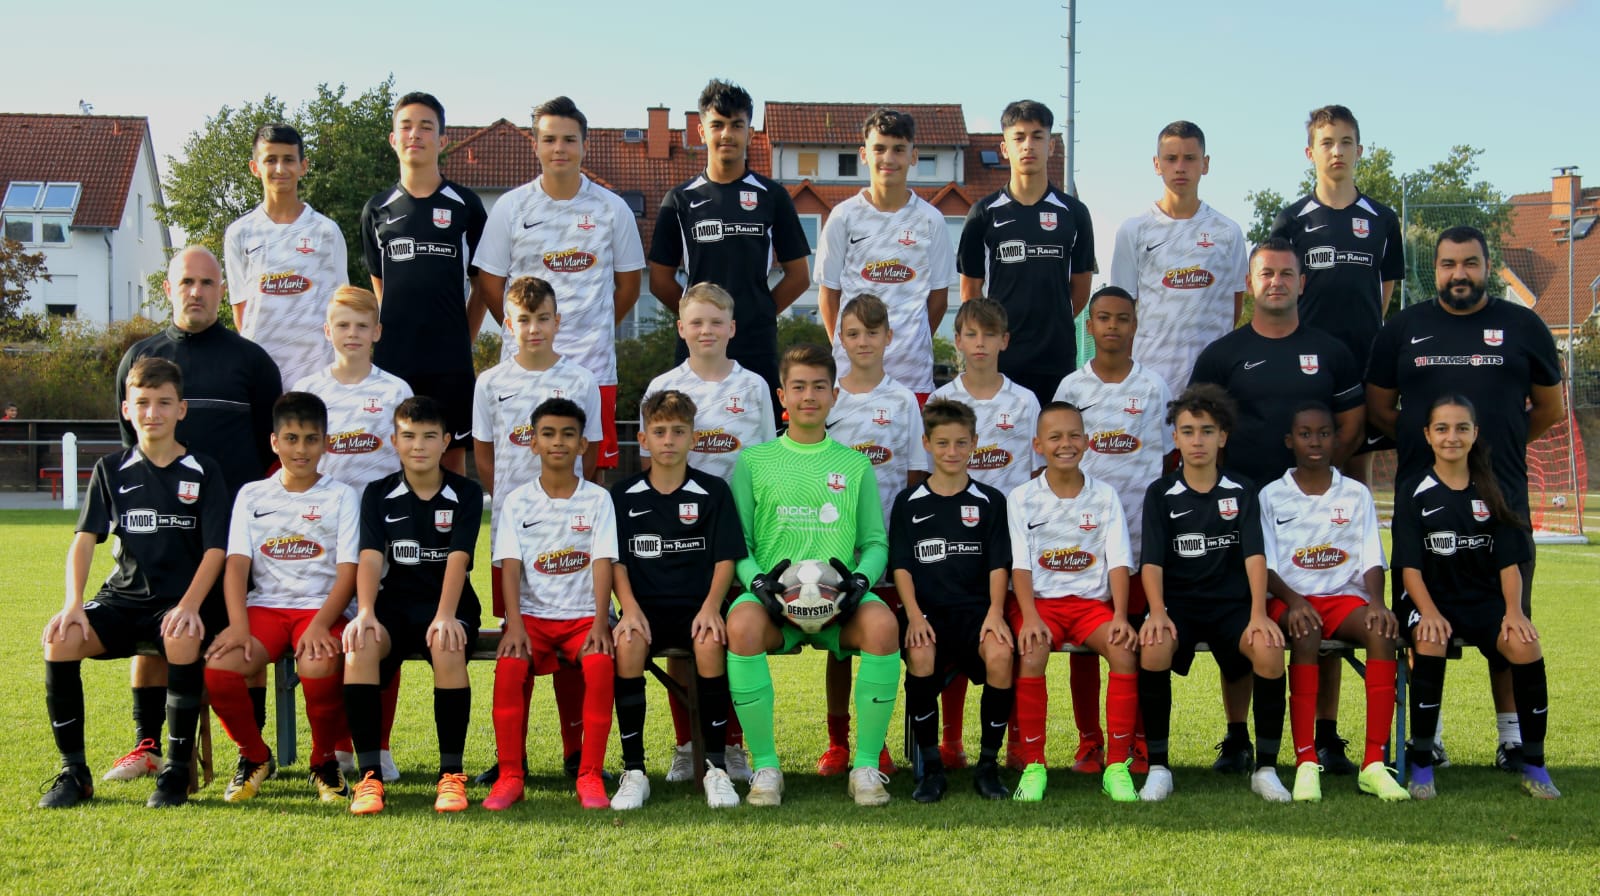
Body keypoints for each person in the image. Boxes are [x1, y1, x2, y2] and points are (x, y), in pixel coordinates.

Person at [1366, 225, 1564, 772]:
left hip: (1502, 503)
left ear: (1486, 266)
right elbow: (1381, 409)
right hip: (1426, 505)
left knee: (1509, 622)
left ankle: (1511, 739)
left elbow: (1549, 408)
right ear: (1434, 269)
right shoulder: (1402, 329)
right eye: (1449, 264)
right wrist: (1432, 449)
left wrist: (1496, 450)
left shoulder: (1523, 326)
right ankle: (1429, 739)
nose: (1460, 274)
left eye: (1470, 263)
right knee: (1424, 622)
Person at [1189, 238, 1366, 774]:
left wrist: (1320, 482)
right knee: (1245, 620)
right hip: (1242, 511)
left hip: (1312, 512)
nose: (1277, 282)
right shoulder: (1222, 355)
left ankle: (1326, 737)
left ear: (1302, 283)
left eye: (1287, 274)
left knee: (1322, 611)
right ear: (1250, 283)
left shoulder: (1332, 351)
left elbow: (1351, 424)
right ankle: (1237, 737)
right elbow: (1200, 427)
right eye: (1266, 273)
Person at [109, 246, 280, 786]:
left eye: (207, 283)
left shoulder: (251, 361)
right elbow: (131, 443)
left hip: (233, 534)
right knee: (153, 625)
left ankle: (251, 752)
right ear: (168, 288)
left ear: (223, 292)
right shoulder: (142, 356)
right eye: (187, 282)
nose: (197, 292)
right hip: (160, 535)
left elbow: (269, 448)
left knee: (239, 632)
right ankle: (147, 745)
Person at [38, 358, 227, 809]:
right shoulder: (111, 469)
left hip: (178, 602)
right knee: (61, 639)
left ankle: (175, 771)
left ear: (181, 409)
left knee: (181, 635)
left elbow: (216, 551)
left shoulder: (203, 470)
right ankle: (74, 772)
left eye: (163, 402)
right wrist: (72, 604)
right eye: (142, 403)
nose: (152, 413)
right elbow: (84, 540)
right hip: (121, 601)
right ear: (126, 409)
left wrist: (189, 606)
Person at [725, 344, 900, 807]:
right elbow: (739, 544)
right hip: (773, 602)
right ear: (782, 395)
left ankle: (865, 767)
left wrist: (859, 582)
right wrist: (757, 583)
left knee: (883, 626)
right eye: (798, 387)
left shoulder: (855, 465)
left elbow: (876, 543)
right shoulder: (754, 461)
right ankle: (766, 767)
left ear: (834, 395)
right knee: (740, 626)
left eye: (819, 387)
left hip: (840, 602)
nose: (809, 396)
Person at [1393, 395, 1558, 800]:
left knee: (1524, 643)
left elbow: (1509, 563)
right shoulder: (1415, 491)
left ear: (1474, 434)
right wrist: (1429, 612)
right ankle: (1422, 764)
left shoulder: (1492, 488)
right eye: (1442, 428)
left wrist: (1514, 612)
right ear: (1428, 435)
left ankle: (1535, 765)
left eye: (1461, 428)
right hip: (1429, 599)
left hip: (1483, 602)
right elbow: (1409, 568)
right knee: (1430, 637)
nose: (1452, 437)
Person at [473, 95, 645, 480]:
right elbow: (489, 284)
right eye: (549, 139)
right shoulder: (511, 207)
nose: (559, 148)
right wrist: (522, 330)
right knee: (521, 465)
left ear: (585, 145)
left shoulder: (612, 208)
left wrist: (596, 327)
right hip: (523, 367)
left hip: (593, 365)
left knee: (590, 473)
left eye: (569, 139)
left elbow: (630, 287)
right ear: (535, 145)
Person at [472, 277, 601, 785]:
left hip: (572, 535)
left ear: (557, 321)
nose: (533, 329)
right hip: (516, 535)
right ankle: (513, 758)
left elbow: (593, 451)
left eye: (542, 318)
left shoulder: (581, 380)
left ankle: (576, 752)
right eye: (523, 320)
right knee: (516, 639)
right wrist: (512, 504)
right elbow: (485, 454)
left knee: (573, 643)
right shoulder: (490, 383)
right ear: (508, 324)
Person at [637, 282, 768, 782]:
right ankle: (687, 744)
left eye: (716, 322)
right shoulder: (664, 384)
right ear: (681, 328)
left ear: (732, 327)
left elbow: (764, 463)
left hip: (738, 534)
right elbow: (652, 468)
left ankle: (730, 745)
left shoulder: (753, 386)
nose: (706, 330)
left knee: (728, 637)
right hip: (679, 538)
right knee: (684, 638)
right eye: (696, 322)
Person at [1136, 384, 1289, 803]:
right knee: (1154, 646)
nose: (1197, 440)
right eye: (1188, 431)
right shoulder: (1160, 493)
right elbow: (1152, 562)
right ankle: (1159, 768)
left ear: (1223, 436)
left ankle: (1266, 769)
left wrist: (1258, 614)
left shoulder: (1241, 490)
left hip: (1233, 607)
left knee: (1268, 649)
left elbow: (1254, 556)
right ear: (1175, 438)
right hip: (1179, 607)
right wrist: (1156, 612)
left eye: (1207, 431)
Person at [204, 392, 358, 805]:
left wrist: (321, 624)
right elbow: (236, 566)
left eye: (311, 439)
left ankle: (324, 761)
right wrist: (238, 626)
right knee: (219, 668)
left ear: (326, 443)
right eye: (291, 438)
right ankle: (254, 756)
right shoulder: (252, 495)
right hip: (265, 609)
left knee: (318, 663)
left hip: (321, 609)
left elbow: (348, 572)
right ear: (274, 442)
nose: (301, 449)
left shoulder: (342, 496)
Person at [1258, 402, 1408, 801]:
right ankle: (1306, 762)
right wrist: (1294, 601)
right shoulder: (1272, 495)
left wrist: (1377, 602)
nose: (1315, 442)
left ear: (1335, 439)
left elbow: (1371, 556)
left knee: (1381, 632)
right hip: (1290, 600)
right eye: (1305, 434)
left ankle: (1373, 764)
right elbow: (1265, 565)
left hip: (1342, 598)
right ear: (1290, 441)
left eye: (1323, 433)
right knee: (1306, 632)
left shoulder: (1355, 494)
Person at [342, 396, 482, 815]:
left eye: (428, 436)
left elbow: (458, 558)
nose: (418, 445)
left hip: (450, 604)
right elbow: (370, 557)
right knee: (361, 644)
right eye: (409, 436)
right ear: (394, 441)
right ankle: (369, 777)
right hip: (395, 605)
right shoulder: (378, 493)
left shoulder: (466, 492)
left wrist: (445, 615)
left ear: (446, 442)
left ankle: (451, 776)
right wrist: (365, 611)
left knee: (446, 643)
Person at [1053, 286, 1172, 775]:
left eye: (1123, 318)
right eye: (1103, 318)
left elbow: (1168, 460)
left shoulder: (1154, 386)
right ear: (1089, 325)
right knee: (1085, 648)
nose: (1113, 327)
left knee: (1137, 639)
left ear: (1135, 325)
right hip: (1081, 543)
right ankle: (1089, 742)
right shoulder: (1071, 387)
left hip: (1139, 545)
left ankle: (1138, 741)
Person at [609, 389, 746, 810]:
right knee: (627, 644)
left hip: (698, 607)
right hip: (644, 609)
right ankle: (635, 771)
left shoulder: (714, 491)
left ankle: (716, 768)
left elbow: (725, 558)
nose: (668, 440)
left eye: (678, 431)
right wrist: (629, 609)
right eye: (659, 431)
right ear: (643, 439)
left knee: (709, 642)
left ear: (693, 438)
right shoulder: (622, 495)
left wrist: (711, 608)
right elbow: (615, 561)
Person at [1006, 401, 1140, 803]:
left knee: (1123, 651)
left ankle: (1116, 766)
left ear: (1087, 441)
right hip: (1040, 604)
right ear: (1038, 445)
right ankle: (1034, 765)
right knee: (1032, 653)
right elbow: (1020, 565)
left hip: (1089, 606)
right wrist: (1030, 617)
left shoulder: (1105, 496)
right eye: (1055, 437)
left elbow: (1118, 560)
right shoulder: (1022, 497)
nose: (1066, 444)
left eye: (1074, 435)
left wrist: (1120, 615)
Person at [486, 397, 617, 811]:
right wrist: (514, 624)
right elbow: (510, 568)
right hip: (532, 619)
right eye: (548, 434)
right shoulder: (517, 501)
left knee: (600, 666)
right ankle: (510, 776)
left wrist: (600, 622)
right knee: (509, 668)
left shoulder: (598, 500)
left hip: (583, 619)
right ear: (533, 443)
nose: (558, 441)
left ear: (582, 444)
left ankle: (589, 775)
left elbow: (602, 563)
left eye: (568, 434)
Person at [647, 79, 810, 401]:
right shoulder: (679, 199)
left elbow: (799, 277)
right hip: (698, 345)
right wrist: (697, 319)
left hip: (756, 345)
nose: (726, 134)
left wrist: (758, 313)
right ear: (701, 132)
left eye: (737, 125)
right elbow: (659, 281)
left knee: (760, 429)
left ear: (751, 133)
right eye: (717, 125)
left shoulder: (773, 196)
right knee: (691, 428)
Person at [815, 295, 924, 778]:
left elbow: (916, 477)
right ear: (840, 337)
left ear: (888, 338)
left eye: (872, 333)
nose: (863, 342)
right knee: (840, 649)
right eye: (854, 333)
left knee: (880, 644)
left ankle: (875, 744)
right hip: (833, 546)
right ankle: (838, 743)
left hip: (885, 548)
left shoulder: (904, 400)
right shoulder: (828, 397)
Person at [890, 398, 1013, 802]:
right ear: (926, 444)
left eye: (961, 443)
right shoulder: (908, 502)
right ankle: (931, 769)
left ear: (975, 443)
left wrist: (995, 614)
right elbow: (902, 567)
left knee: (1000, 655)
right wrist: (913, 617)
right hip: (926, 613)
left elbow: (998, 564)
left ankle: (988, 766)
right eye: (942, 443)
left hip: (977, 613)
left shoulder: (990, 501)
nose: (952, 452)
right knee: (921, 655)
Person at [360, 91, 488, 474]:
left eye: (426, 127)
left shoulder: (466, 206)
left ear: (443, 139)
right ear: (393, 139)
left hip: (449, 359)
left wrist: (462, 337)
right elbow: (380, 286)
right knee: (393, 457)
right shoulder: (376, 209)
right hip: (394, 359)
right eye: (406, 126)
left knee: (450, 458)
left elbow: (482, 286)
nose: (415, 134)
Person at [957, 100, 1094, 405]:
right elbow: (970, 293)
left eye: (1037, 136)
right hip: (1000, 359)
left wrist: (1051, 322)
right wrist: (992, 335)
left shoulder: (1074, 213)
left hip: (1056, 358)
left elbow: (1081, 289)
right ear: (1004, 148)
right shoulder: (983, 213)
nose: (1028, 145)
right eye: (1018, 137)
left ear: (1051, 146)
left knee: (1054, 435)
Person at [816, 108, 955, 399]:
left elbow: (939, 300)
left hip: (912, 378)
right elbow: (829, 296)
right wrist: (847, 347)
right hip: (851, 378)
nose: (888, 159)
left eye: (898, 150)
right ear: (864, 154)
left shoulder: (932, 220)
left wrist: (910, 344)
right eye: (879, 149)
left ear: (913, 156)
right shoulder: (842, 217)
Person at [1108, 120, 1247, 402]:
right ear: (1157, 164)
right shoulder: (1134, 230)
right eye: (1171, 159)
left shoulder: (1228, 232)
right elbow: (1122, 310)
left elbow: (1234, 308)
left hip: (1213, 383)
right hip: (1151, 382)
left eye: (1190, 158)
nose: (1180, 167)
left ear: (1205, 164)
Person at [1269, 105, 1403, 381]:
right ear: (1310, 153)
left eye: (1346, 142)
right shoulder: (1290, 220)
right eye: (1327, 143)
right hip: (1305, 354)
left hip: (1366, 355)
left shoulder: (1384, 219)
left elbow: (1387, 282)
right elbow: (1277, 286)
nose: (1337, 151)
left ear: (1359, 151)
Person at [224, 123, 349, 392]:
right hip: (260, 376)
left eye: (288, 160)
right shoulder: (239, 233)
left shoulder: (326, 231)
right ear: (255, 167)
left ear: (303, 166)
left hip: (318, 374)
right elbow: (241, 312)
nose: (280, 169)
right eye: (270, 160)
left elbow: (342, 304)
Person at [292, 285, 413, 495]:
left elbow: (411, 457)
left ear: (377, 332)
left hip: (383, 509)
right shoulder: (306, 391)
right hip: (325, 508)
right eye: (343, 325)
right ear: (328, 331)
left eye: (362, 326)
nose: (352, 333)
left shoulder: (397, 391)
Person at [929, 298, 1042, 498]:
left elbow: (1038, 470)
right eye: (971, 334)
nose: (980, 343)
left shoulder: (1025, 401)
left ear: (1004, 340)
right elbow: (930, 471)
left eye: (989, 334)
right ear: (958, 341)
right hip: (956, 512)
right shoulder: (940, 399)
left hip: (1011, 514)